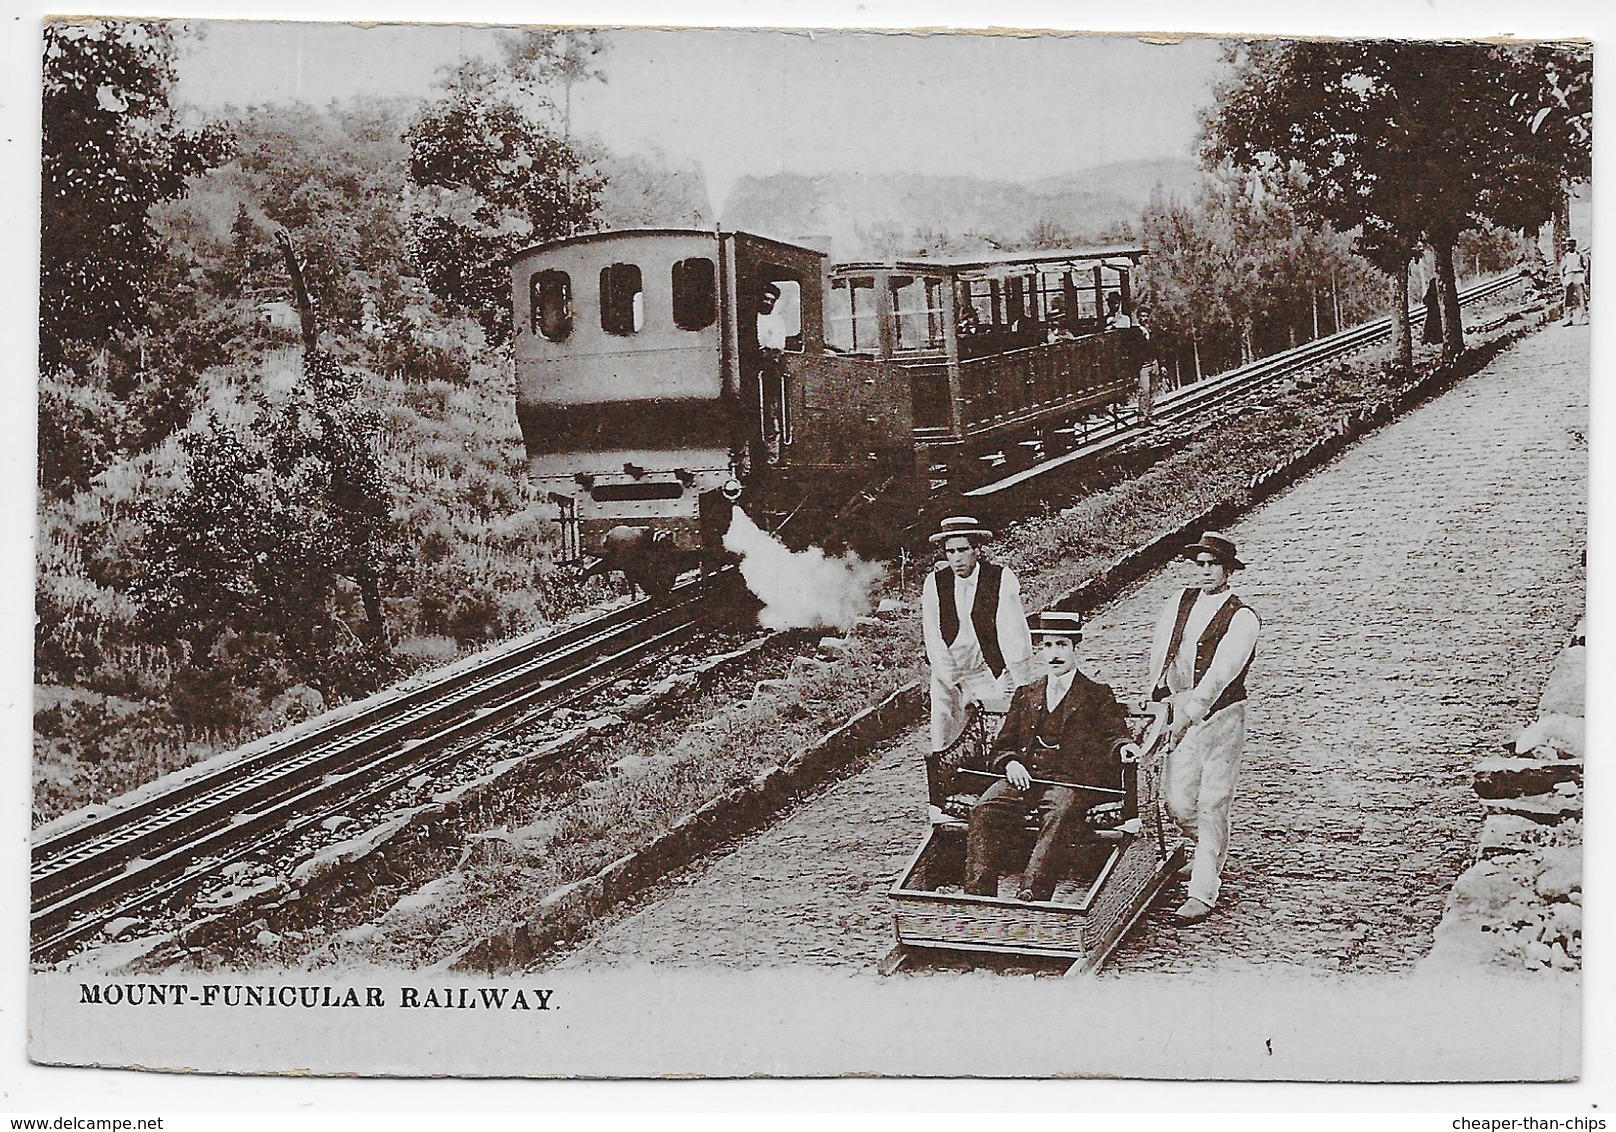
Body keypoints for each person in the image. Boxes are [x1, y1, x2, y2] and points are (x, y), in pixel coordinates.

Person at [964, 611, 1142, 902]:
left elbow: (1114, 734)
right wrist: (1010, 763)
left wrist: (1123, 747)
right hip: (1025, 777)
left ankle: (1032, 894)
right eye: (1047, 646)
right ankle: (978, 898)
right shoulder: (1026, 693)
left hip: (1069, 781)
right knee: (984, 809)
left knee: (1059, 814)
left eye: (1062, 645)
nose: (1054, 654)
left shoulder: (1096, 694)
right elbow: (1003, 743)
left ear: (1075, 648)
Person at [1147, 532, 1260, 925]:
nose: (1207, 570)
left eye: (1214, 564)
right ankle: (1208, 854)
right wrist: (1158, 694)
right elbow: (1162, 650)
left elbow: (1218, 677)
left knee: (1212, 802)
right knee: (1178, 803)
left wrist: (1187, 716)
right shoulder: (1180, 601)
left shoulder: (1242, 617)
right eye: (1201, 563)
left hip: (1221, 717)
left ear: (1229, 570)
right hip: (1180, 708)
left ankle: (1203, 891)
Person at [921, 515, 1036, 818]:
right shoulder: (935, 584)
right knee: (945, 739)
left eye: (963, 550)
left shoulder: (1000, 578)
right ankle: (944, 806)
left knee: (999, 737)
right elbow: (934, 638)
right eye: (950, 552)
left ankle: (996, 803)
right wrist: (958, 685)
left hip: (991, 672)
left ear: (977, 550)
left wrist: (1016, 686)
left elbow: (1014, 635)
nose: (957, 558)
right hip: (951, 676)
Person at [1560, 239, 1589, 326]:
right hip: (1569, 276)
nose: (1568, 247)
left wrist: (1584, 275)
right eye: (1568, 245)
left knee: (1581, 298)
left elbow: (1586, 265)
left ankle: (1583, 318)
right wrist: (1563, 279)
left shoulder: (1580, 255)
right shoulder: (1565, 256)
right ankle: (1568, 319)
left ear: (1574, 246)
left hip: (1578, 275)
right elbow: (1561, 269)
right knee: (1568, 298)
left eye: (1570, 245)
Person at [1421, 275, 1443, 345]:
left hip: (1432, 313)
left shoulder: (1431, 290)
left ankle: (1429, 339)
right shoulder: (1439, 290)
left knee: (1429, 326)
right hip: (1437, 312)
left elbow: (1425, 300)